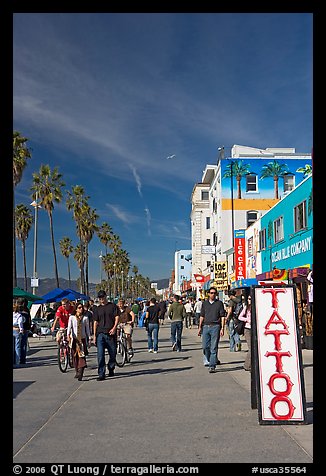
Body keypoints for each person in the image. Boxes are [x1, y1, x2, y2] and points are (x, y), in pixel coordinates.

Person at [92, 290, 120, 381]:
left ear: (106, 296)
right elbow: (95, 322)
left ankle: (111, 367)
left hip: (110, 333)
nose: (101, 299)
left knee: (113, 354)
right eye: (100, 298)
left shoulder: (112, 306)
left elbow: (117, 317)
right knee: (100, 355)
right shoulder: (97, 309)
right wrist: (94, 336)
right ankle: (101, 373)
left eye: (103, 297)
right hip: (100, 334)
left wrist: (114, 328)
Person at [198, 287, 226, 373]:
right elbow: (202, 315)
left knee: (213, 347)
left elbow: (222, 317)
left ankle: (212, 365)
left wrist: (222, 328)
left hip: (215, 326)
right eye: (211, 293)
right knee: (205, 346)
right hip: (206, 326)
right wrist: (199, 327)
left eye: (214, 293)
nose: (213, 294)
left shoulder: (219, 303)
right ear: (208, 294)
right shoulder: (205, 304)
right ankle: (212, 359)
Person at [67, 303, 90, 380]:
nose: (81, 309)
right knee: (75, 356)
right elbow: (69, 327)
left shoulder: (85, 318)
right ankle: (77, 370)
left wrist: (89, 338)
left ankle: (81, 371)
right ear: (76, 309)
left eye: (82, 308)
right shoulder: (72, 318)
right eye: (79, 308)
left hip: (82, 340)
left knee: (82, 356)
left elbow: (87, 329)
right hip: (74, 339)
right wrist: (68, 336)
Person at [238, 295, 252, 371]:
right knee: (251, 348)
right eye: (249, 298)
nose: (250, 300)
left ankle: (251, 364)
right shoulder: (247, 308)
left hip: (255, 329)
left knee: (254, 348)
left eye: (251, 298)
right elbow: (239, 317)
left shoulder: (257, 307)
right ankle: (247, 365)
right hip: (247, 329)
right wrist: (247, 319)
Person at [17, 297, 32, 365]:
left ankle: (18, 359)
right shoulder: (26, 310)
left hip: (18, 328)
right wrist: (29, 327)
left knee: (18, 345)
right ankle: (22, 360)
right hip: (25, 329)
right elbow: (29, 320)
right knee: (23, 345)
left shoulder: (17, 309)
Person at [13, 301, 25, 367]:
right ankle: (17, 362)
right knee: (17, 346)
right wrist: (21, 330)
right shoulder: (19, 315)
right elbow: (20, 323)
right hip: (17, 330)